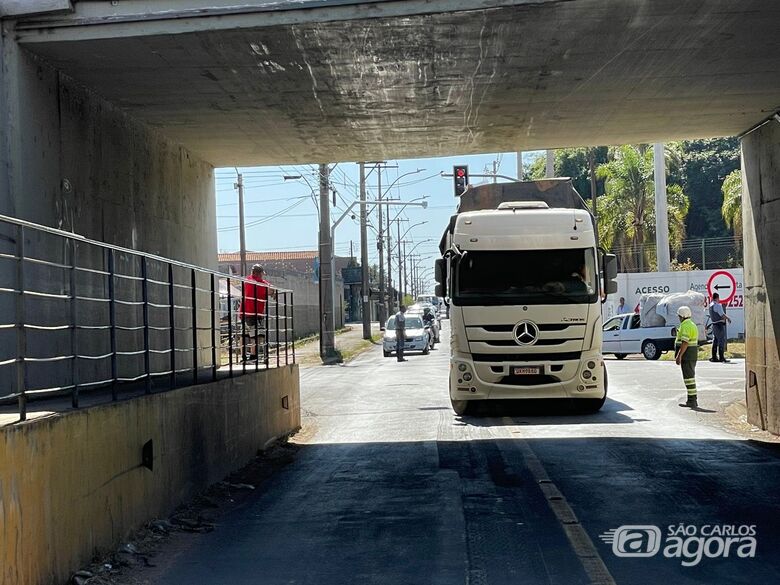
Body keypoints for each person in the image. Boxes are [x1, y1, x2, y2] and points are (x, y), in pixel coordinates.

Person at [239, 264, 276, 361]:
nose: (262, 276)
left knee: (244, 334)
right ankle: (253, 355)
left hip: (244, 312)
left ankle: (243, 356)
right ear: (257, 273)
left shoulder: (247, 280)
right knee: (254, 335)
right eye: (261, 274)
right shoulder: (259, 283)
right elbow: (270, 289)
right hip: (254, 313)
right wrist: (273, 293)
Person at [675, 305, 699, 408]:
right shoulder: (692, 324)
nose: (678, 318)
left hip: (687, 355)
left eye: (679, 316)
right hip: (691, 355)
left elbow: (685, 343)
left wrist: (679, 355)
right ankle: (692, 399)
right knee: (690, 378)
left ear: (682, 316)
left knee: (689, 378)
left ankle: (692, 400)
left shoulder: (685, 326)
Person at [708, 293, 732, 363]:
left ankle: (714, 357)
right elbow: (722, 315)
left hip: (714, 324)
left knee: (715, 340)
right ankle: (721, 357)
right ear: (717, 298)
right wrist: (728, 318)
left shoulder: (710, 305)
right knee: (721, 340)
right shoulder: (718, 305)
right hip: (719, 324)